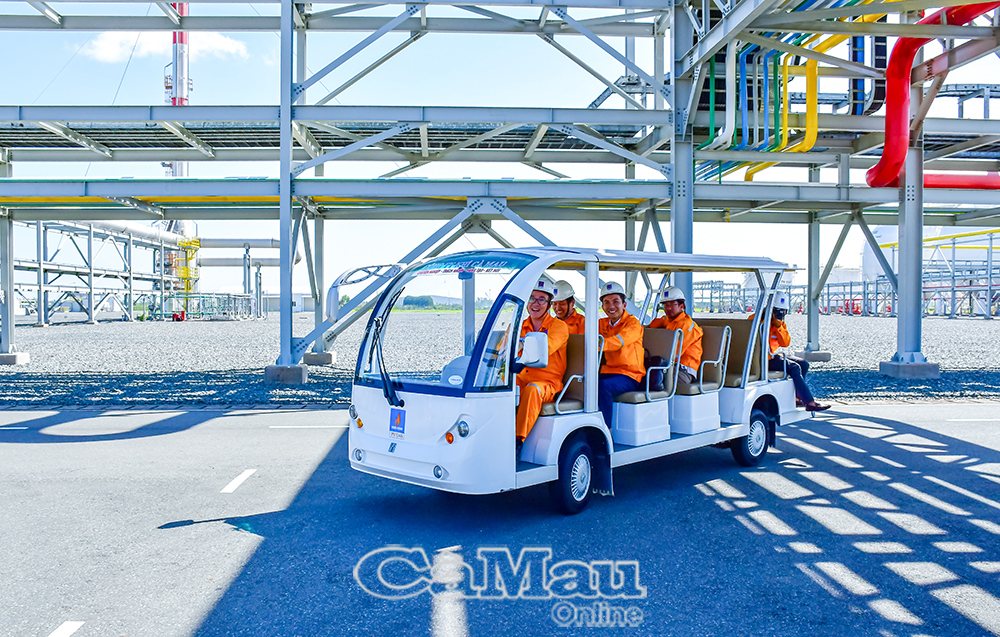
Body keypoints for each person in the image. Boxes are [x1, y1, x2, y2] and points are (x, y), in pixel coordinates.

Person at [752, 293, 830, 412]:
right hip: (761, 359)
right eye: (778, 311)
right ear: (770, 309)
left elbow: (785, 343)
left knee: (804, 364)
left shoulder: (780, 325)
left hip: (771, 356)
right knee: (794, 367)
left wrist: (778, 326)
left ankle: (798, 397)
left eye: (783, 312)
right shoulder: (756, 319)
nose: (781, 315)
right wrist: (768, 322)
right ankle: (809, 402)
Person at [516, 280, 570, 449]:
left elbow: (545, 348)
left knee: (532, 390)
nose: (535, 304)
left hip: (547, 383)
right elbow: (501, 348)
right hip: (520, 377)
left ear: (549, 305)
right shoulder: (519, 326)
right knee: (499, 387)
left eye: (541, 300)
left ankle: (518, 441)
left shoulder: (559, 327)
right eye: (532, 298)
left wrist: (521, 344)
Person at [597, 282, 645, 428]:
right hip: (608, 372)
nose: (611, 306)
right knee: (583, 383)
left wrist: (597, 346)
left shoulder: (633, 324)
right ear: (602, 307)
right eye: (606, 302)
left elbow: (619, 341)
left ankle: (606, 430)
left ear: (624, 305)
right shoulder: (601, 323)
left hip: (630, 375)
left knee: (602, 386)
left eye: (615, 301)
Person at [648, 286, 703, 385]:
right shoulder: (669, 320)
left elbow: (674, 354)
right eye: (665, 304)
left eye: (672, 304)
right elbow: (650, 326)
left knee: (649, 374)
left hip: (683, 371)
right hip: (671, 366)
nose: (668, 308)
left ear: (681, 306)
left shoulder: (687, 325)